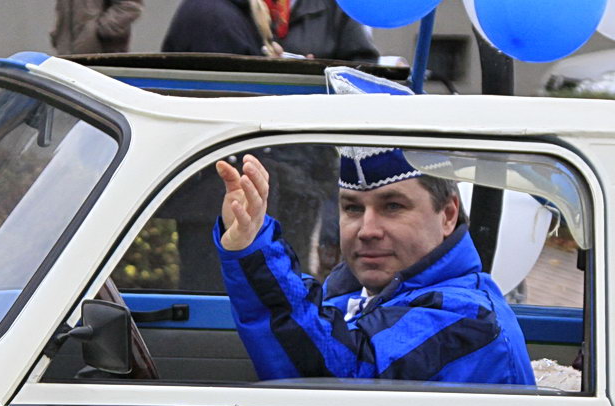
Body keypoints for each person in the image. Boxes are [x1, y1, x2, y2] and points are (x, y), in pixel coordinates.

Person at [213, 147, 534, 385]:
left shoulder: (468, 315)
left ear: (448, 215)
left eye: (393, 206)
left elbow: (337, 380)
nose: (367, 230)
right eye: (352, 208)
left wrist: (256, 250)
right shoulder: (352, 296)